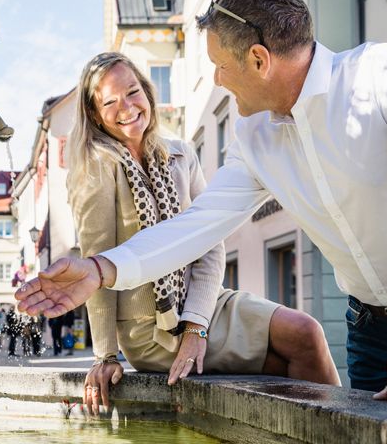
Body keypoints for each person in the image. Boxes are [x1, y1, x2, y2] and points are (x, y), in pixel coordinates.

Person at [17, 0, 387, 416]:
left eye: (221, 65)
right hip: (373, 329)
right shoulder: (255, 137)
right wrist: (101, 269)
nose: (218, 80)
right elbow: (198, 225)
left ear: (260, 61)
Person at [66, 52, 340, 414]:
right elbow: (95, 269)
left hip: (204, 304)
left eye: (132, 92)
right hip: (153, 329)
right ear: (95, 114)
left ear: (147, 93)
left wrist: (197, 326)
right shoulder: (98, 170)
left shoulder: (181, 154)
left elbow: (210, 242)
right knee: (284, 366)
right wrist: (105, 355)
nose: (126, 107)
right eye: (110, 102)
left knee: (306, 332)